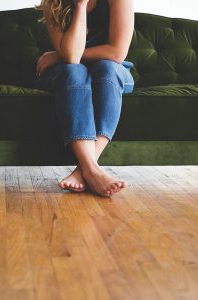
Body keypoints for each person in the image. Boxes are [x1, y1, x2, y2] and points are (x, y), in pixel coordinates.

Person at [34, 0, 135, 197]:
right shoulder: (53, 3)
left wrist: (57, 55)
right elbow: (72, 57)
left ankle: (86, 170)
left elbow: (116, 52)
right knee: (75, 72)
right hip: (67, 71)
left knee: (107, 68)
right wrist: (80, 5)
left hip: (112, 70)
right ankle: (92, 170)